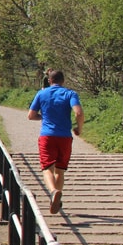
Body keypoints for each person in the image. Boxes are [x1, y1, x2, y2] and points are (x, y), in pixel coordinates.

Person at [27, 69, 84, 215]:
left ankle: (53, 192)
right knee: (60, 170)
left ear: (49, 81)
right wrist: (79, 128)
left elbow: (31, 116)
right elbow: (78, 112)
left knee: (47, 169)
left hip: (47, 136)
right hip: (65, 137)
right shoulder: (70, 94)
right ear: (63, 81)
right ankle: (56, 199)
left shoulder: (41, 93)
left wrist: (43, 117)